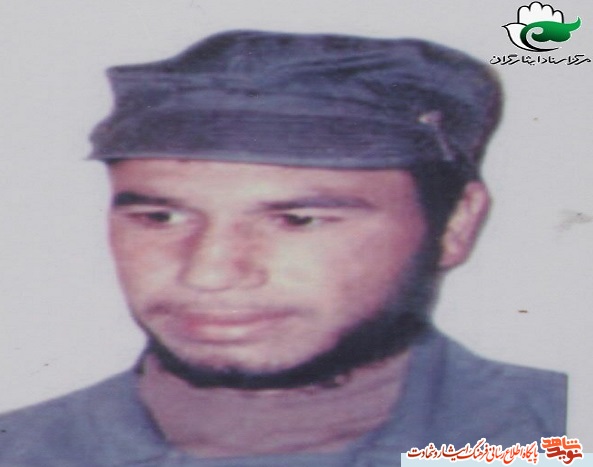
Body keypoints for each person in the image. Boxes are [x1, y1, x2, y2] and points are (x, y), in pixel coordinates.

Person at [0, 30, 566, 466]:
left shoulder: (557, 440)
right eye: (161, 217)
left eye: (297, 220)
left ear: (455, 225)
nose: (209, 272)